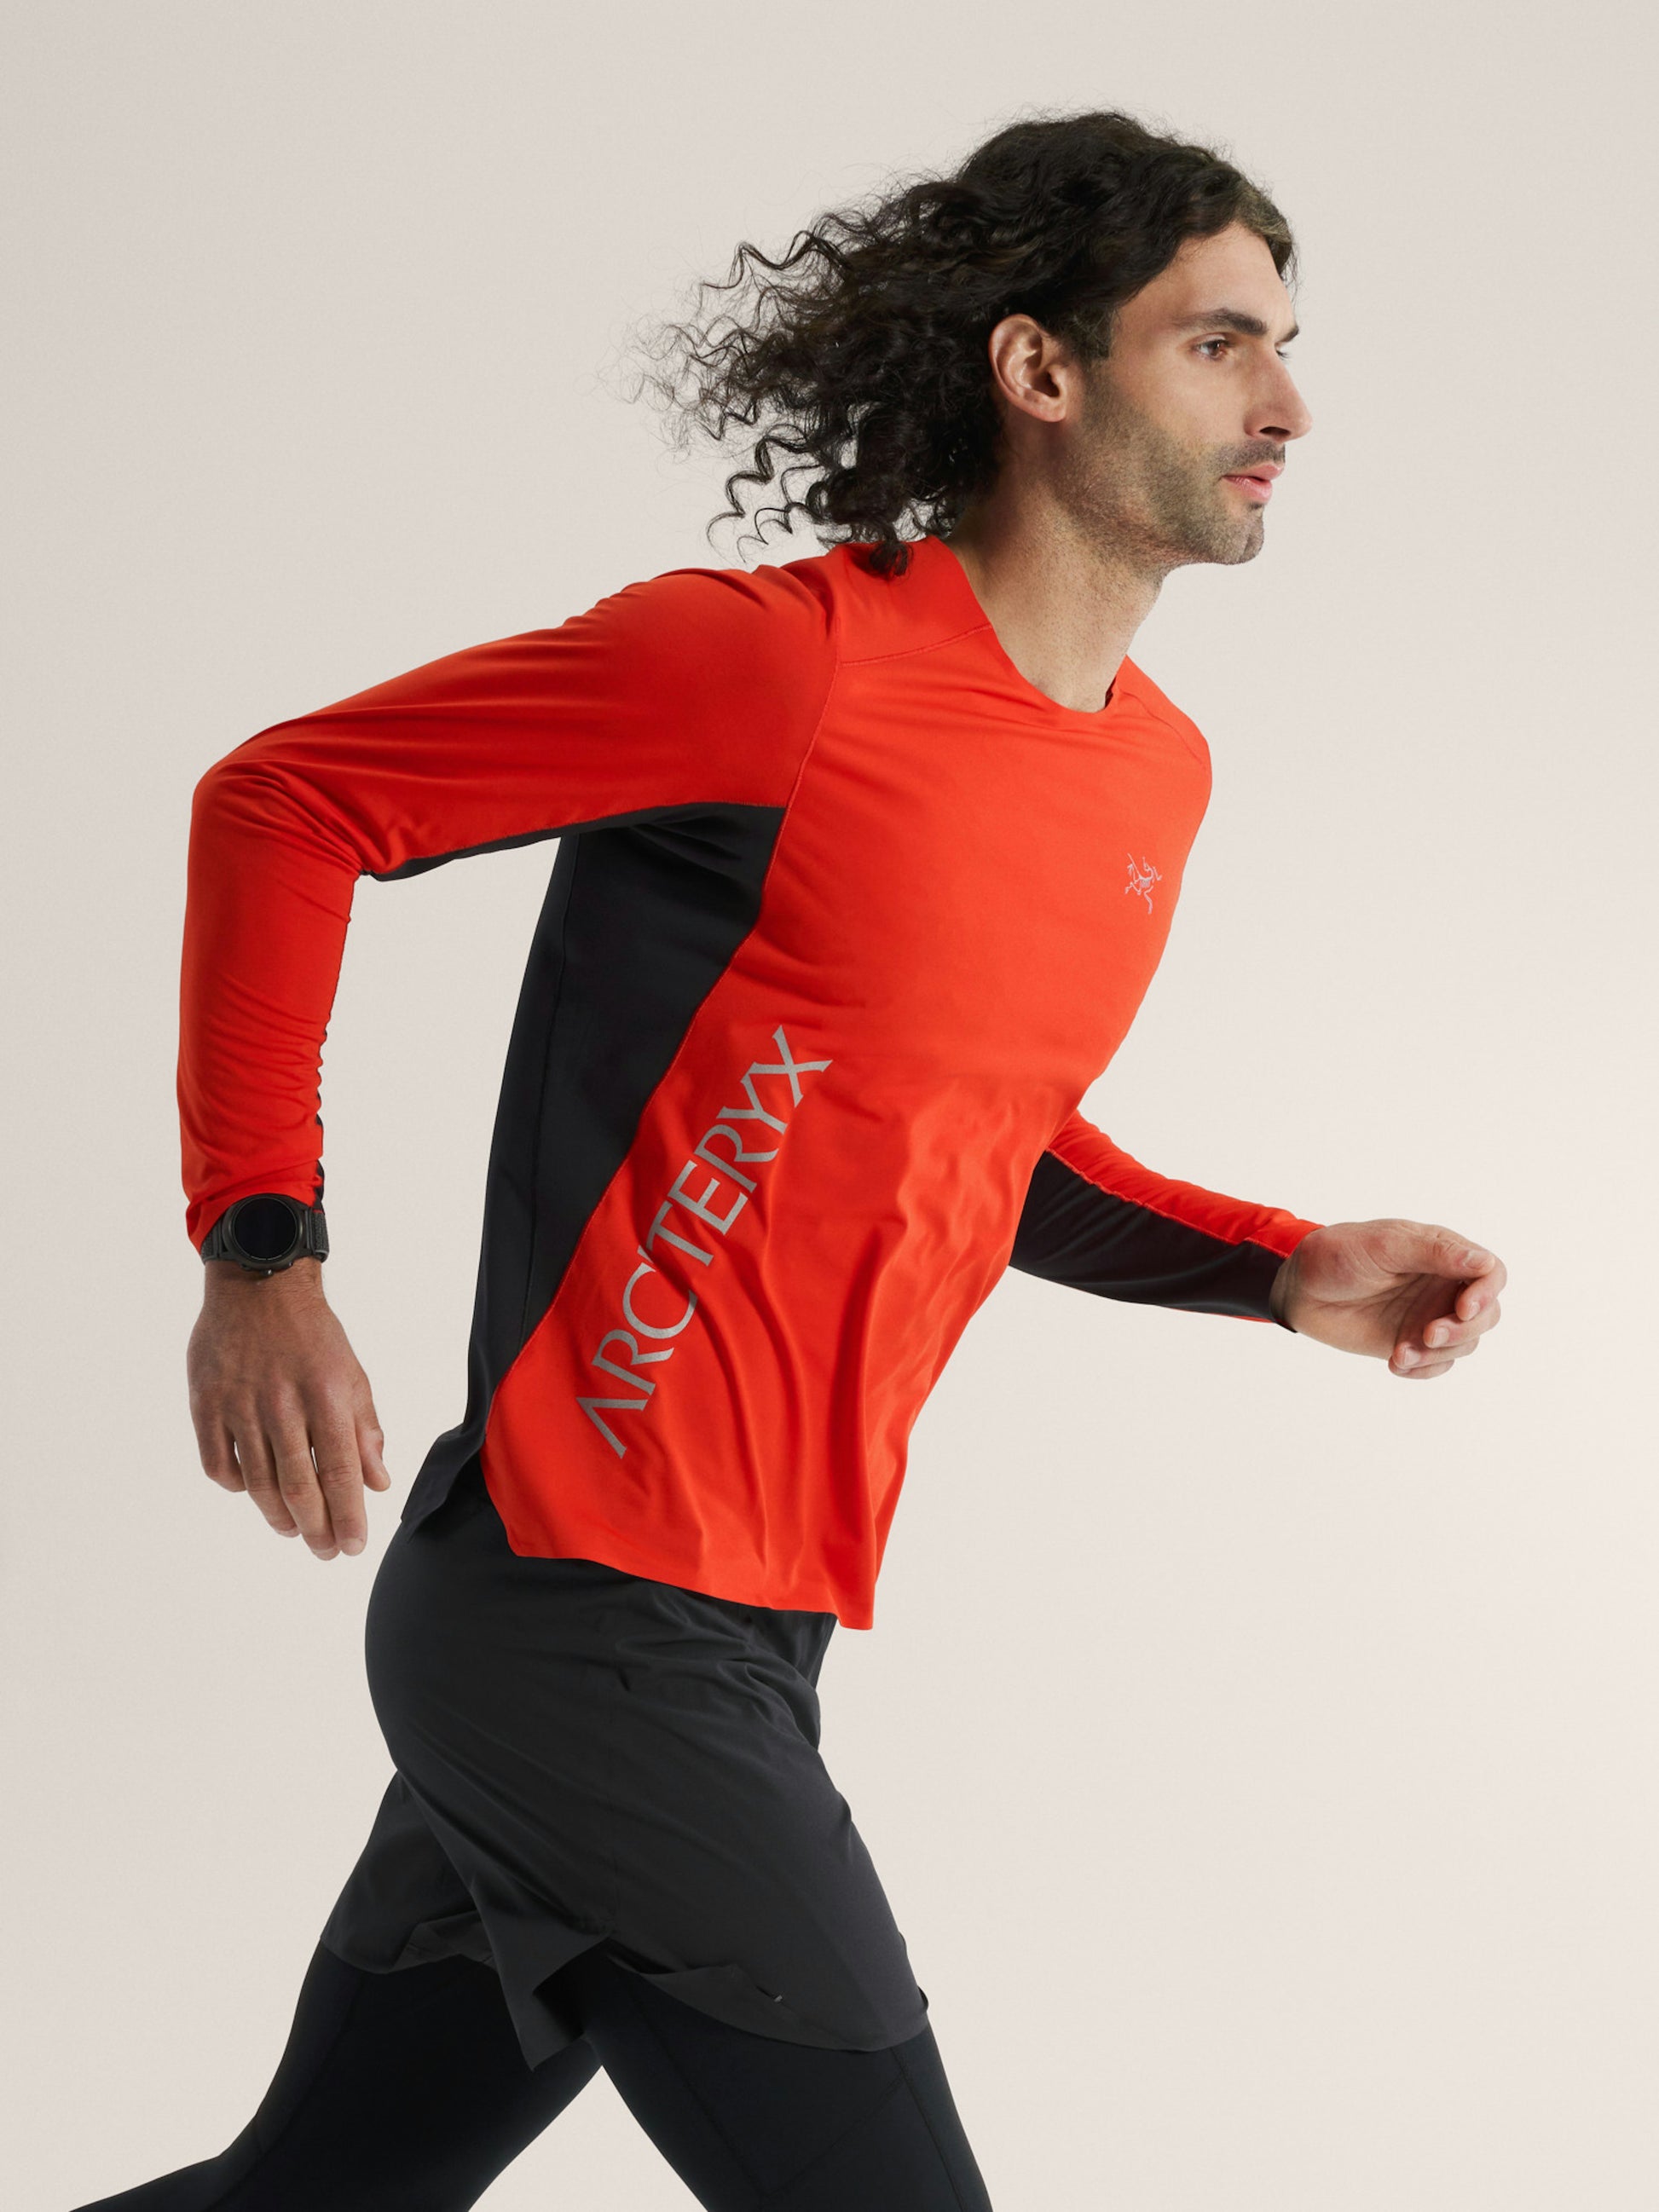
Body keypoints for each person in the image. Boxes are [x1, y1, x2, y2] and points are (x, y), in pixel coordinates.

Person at [78, 107, 1505, 2212]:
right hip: (581, 1614)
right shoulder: (777, 663)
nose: (1285, 405)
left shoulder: (1152, 772)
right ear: (1039, 369)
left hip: (745, 1632)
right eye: (1219, 344)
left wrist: (1272, 1265)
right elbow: (286, 803)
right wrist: (259, 1249)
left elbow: (955, 1130)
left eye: (1287, 347)